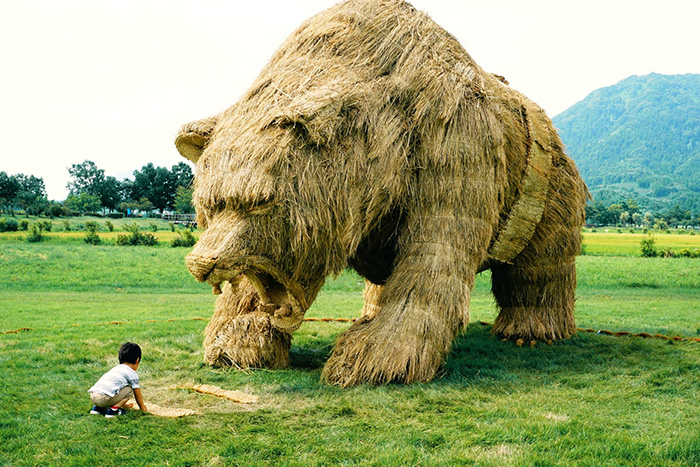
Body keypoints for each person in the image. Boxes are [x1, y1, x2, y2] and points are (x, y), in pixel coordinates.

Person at [88, 342, 147, 417]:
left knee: (112, 388)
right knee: (130, 389)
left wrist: (124, 405)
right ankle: (113, 410)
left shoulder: (116, 368)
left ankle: (97, 408)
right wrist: (142, 407)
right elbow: (137, 393)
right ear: (137, 360)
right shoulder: (132, 373)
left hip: (94, 396)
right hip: (105, 399)